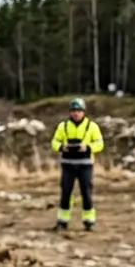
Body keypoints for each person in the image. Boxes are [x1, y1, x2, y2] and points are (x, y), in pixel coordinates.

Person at [50, 97, 104, 230]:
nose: (76, 113)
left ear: (83, 112)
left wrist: (88, 147)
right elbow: (54, 142)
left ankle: (89, 221)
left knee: (86, 192)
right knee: (66, 192)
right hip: (68, 164)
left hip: (85, 165)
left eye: (79, 111)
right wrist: (62, 147)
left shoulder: (92, 127)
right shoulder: (63, 126)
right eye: (73, 111)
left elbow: (100, 144)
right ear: (70, 112)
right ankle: (62, 221)